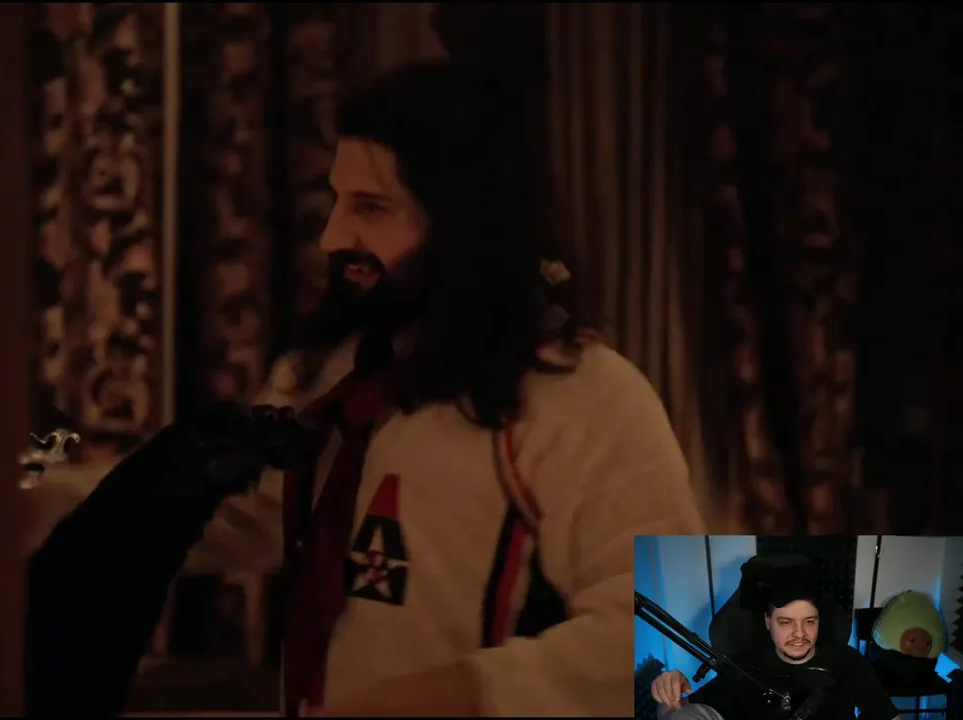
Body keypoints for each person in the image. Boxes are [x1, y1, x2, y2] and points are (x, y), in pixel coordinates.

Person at [182, 57, 706, 717]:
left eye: (371, 208)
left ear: (464, 223)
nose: (333, 237)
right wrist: (67, 509)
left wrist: (461, 692)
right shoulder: (334, 374)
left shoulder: (583, 396)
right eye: (336, 201)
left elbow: (684, 635)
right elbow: (250, 511)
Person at [651, 593, 901, 720]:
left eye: (809, 621)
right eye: (786, 622)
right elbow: (680, 713)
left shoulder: (848, 661)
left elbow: (888, 716)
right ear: (768, 621)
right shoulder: (745, 666)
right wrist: (668, 691)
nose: (800, 634)